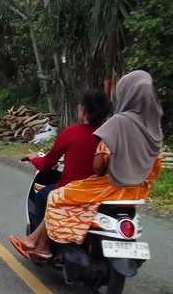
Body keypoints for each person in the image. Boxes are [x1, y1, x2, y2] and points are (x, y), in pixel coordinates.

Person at [10, 70, 164, 259]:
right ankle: (39, 240)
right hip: (138, 190)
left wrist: (102, 171)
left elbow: (98, 164)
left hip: (109, 187)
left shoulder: (116, 124)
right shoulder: (153, 128)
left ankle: (42, 243)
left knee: (54, 196)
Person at [19, 89, 111, 234]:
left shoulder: (70, 133)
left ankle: (37, 242)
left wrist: (34, 158)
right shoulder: (111, 133)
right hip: (102, 190)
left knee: (42, 195)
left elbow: (46, 164)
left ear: (83, 110)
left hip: (72, 189)